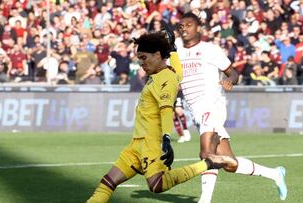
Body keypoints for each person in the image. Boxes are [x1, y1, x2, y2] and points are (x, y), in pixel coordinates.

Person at [86, 32, 235, 203]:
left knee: (157, 185)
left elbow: (166, 109)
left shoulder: (165, 79)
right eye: (139, 59)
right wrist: (172, 50)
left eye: (144, 57)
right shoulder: (165, 73)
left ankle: (208, 163)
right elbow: (178, 71)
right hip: (136, 143)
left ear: (157, 55)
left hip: (152, 143)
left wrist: (166, 138)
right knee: (107, 182)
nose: (141, 63)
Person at [176, 12, 287, 203]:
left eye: (189, 25)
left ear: (198, 28)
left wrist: (229, 81)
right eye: (181, 25)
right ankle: (275, 174)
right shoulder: (176, 52)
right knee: (229, 163)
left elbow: (233, 73)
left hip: (212, 104)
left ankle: (205, 200)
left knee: (206, 153)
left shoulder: (210, 50)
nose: (184, 28)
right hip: (195, 109)